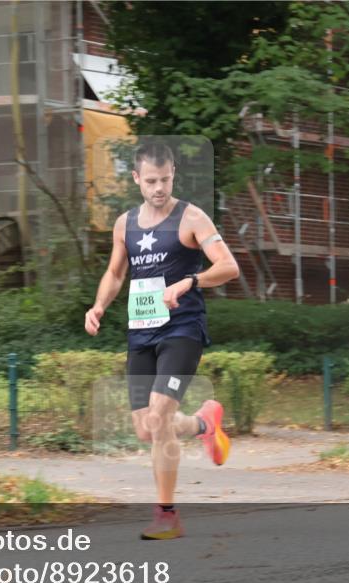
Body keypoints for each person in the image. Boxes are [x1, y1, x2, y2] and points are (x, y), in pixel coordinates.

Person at [84, 142, 240, 540]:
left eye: (166, 180)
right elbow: (116, 273)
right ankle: (205, 423)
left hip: (182, 330)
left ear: (174, 174)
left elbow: (228, 266)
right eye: (151, 181)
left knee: (158, 416)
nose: (159, 188)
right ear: (136, 178)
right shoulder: (125, 224)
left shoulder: (191, 217)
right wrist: (99, 305)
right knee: (147, 429)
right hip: (141, 332)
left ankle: (166, 515)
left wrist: (191, 280)